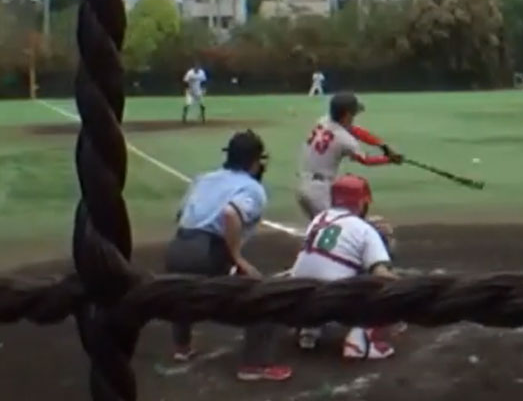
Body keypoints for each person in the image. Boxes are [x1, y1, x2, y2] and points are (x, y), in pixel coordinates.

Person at [164, 130, 293, 382]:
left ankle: (182, 347)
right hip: (206, 252)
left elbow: (181, 215)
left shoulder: (203, 178)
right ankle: (254, 365)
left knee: (182, 291)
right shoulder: (252, 188)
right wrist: (236, 257)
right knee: (262, 295)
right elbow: (231, 214)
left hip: (177, 247)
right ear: (256, 161)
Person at [290, 174, 400, 359]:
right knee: (382, 284)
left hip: (297, 303)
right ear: (361, 202)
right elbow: (381, 273)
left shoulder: (318, 219)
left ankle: (310, 331)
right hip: (334, 304)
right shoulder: (366, 231)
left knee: (323, 264)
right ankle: (359, 342)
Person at [296, 91, 403, 220]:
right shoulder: (344, 139)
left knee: (320, 229)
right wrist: (389, 160)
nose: (354, 116)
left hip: (303, 185)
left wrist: (382, 145)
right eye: (353, 113)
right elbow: (365, 160)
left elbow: (355, 130)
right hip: (319, 191)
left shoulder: (323, 121)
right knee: (336, 226)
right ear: (346, 115)